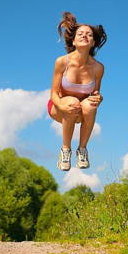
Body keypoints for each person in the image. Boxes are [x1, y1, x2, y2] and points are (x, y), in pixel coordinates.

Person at [47, 11, 107, 171]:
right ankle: (65, 150)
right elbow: (53, 93)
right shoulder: (62, 62)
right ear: (73, 40)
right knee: (73, 102)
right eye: (80, 33)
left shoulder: (98, 68)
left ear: (93, 42)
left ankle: (82, 150)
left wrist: (98, 98)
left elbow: (95, 93)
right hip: (59, 107)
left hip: (81, 111)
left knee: (90, 105)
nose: (85, 36)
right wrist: (61, 104)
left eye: (89, 34)